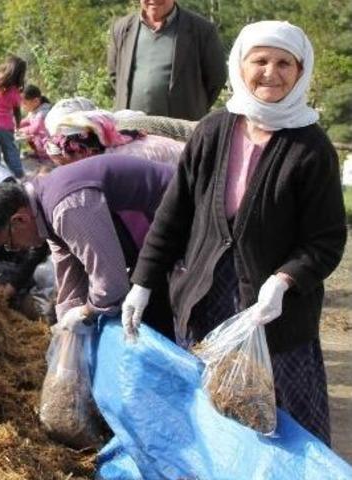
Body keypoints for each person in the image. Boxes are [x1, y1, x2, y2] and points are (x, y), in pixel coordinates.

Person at [121, 21, 347, 445]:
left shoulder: (311, 147)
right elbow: (173, 216)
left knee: (279, 425)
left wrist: (285, 280)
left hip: (274, 316)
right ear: (240, 66)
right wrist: (142, 283)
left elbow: (327, 239)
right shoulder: (213, 131)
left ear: (301, 71)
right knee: (208, 417)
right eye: (259, 61)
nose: (271, 73)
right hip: (205, 304)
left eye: (284, 63)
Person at [0, 155, 176, 339]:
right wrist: (64, 328)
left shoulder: (66, 208)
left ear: (19, 220)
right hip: (155, 233)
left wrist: (85, 312)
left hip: (180, 212)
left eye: (9, 244)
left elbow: (112, 285)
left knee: (162, 315)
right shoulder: (42, 210)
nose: (16, 249)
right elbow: (68, 275)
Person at [107, 0, 226, 121]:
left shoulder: (202, 30)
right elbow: (115, 75)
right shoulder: (122, 28)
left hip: (180, 128)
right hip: (129, 127)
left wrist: (194, 107)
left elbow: (216, 79)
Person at [0, 165, 50, 319]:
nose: (11, 247)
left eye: (9, 243)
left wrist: (11, 287)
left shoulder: (42, 213)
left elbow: (38, 250)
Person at [44, 108, 185, 167]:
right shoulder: (115, 141)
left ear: (82, 150)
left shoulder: (121, 160)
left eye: (65, 164)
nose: (65, 169)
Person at [17, 85, 53, 165]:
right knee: (31, 136)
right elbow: (27, 121)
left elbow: (34, 128)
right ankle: (38, 153)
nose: (22, 106)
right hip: (40, 142)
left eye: (24, 103)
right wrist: (14, 124)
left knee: (33, 135)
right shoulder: (34, 110)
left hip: (49, 144)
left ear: (36, 101)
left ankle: (45, 157)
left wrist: (20, 130)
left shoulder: (43, 112)